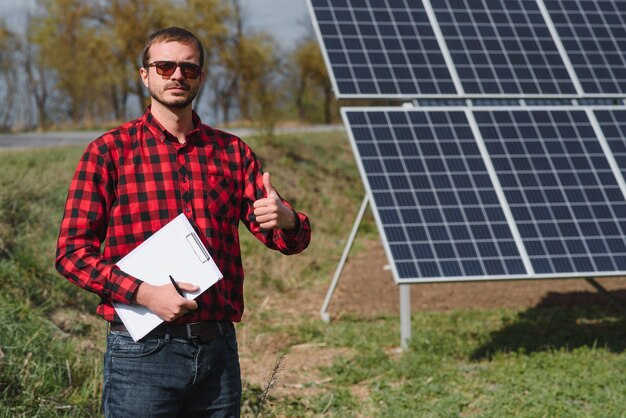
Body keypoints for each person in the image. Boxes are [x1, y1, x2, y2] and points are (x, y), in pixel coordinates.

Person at [55, 26, 311, 417]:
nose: (177, 75)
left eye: (188, 69)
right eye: (165, 66)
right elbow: (71, 254)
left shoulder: (231, 152)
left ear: (201, 77)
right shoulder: (109, 152)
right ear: (145, 75)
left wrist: (288, 220)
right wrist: (143, 293)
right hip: (141, 352)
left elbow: (285, 239)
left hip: (217, 350)